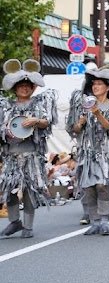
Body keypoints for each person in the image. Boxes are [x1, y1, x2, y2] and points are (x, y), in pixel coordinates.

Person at [67, 67, 109, 236]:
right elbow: (73, 129)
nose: (95, 86)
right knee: (88, 187)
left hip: (107, 152)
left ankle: (105, 220)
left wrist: (98, 114)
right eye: (93, 83)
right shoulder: (83, 104)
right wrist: (80, 122)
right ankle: (95, 221)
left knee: (103, 185)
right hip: (87, 152)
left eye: (99, 83)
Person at [0, 59, 57, 238]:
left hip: (32, 155)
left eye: (28, 85)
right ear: (15, 88)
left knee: (29, 192)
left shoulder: (39, 104)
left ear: (33, 88)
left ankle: (28, 227)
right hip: (11, 156)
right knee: (8, 190)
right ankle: (15, 221)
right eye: (21, 86)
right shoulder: (5, 107)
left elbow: (47, 122)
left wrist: (36, 121)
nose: (24, 88)